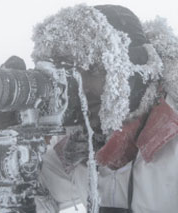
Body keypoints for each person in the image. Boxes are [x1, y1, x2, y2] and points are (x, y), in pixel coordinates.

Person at [29, 4, 178, 212]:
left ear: (134, 69)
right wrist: (11, 140)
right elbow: (33, 197)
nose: (82, 88)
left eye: (94, 69)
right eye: (71, 73)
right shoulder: (77, 148)